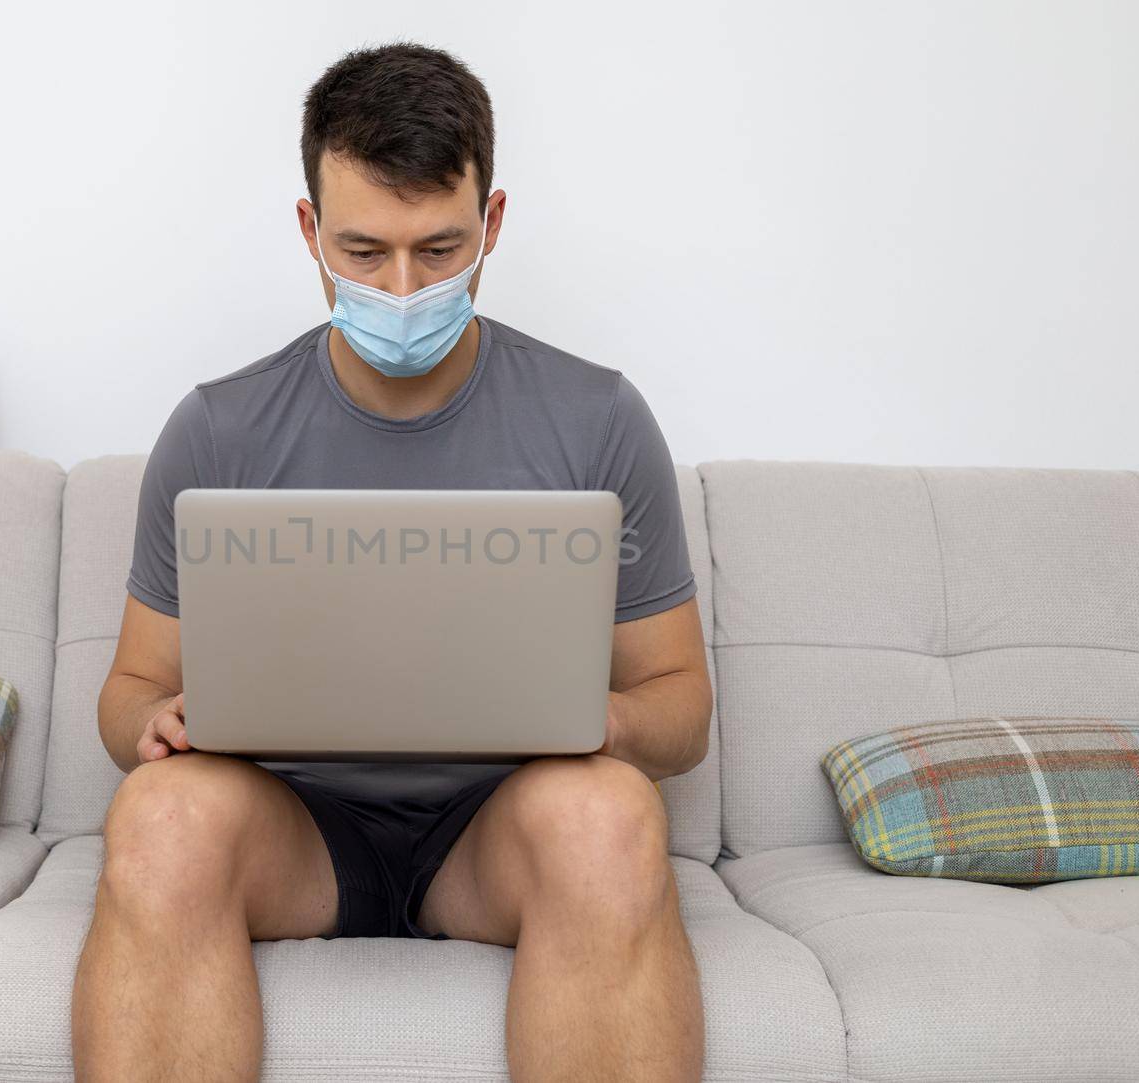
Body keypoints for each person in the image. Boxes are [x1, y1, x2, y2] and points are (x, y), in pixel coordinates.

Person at [72, 41, 711, 1083]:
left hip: (500, 834)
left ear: (492, 223)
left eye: (440, 249)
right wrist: (151, 723)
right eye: (364, 253)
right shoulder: (219, 431)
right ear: (309, 230)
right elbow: (128, 692)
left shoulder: (597, 420)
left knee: (610, 809)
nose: (403, 290)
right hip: (291, 834)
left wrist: (610, 722)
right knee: (158, 813)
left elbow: (681, 708)